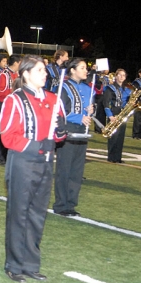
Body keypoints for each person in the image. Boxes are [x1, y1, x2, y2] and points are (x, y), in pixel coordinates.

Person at [0, 55, 67, 283]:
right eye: (40, 70)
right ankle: (14, 265)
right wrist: (39, 146)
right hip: (22, 163)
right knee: (19, 213)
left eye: (45, 70)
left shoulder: (52, 98)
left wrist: (60, 133)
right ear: (26, 74)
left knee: (38, 214)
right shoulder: (14, 100)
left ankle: (31, 264)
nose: (45, 74)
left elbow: (58, 134)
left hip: (46, 163)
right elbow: (8, 136)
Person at [53, 58, 94, 217]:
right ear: (72, 70)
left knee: (77, 169)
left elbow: (87, 110)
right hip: (68, 129)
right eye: (82, 68)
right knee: (65, 168)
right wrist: (79, 117)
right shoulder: (62, 87)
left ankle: (71, 203)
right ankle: (61, 204)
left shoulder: (87, 88)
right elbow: (61, 111)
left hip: (82, 130)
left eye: (86, 68)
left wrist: (90, 110)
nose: (86, 71)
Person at [0, 55, 22, 164]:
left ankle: (9, 155)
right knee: (4, 130)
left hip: (14, 105)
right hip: (4, 105)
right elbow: (0, 92)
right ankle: (2, 156)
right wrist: (14, 94)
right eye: (20, 63)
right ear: (16, 63)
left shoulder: (16, 74)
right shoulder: (4, 74)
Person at [103, 69, 131, 163]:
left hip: (122, 113)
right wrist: (110, 116)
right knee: (113, 136)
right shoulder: (110, 88)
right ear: (116, 76)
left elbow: (127, 102)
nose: (122, 77)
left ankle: (118, 158)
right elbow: (106, 103)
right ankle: (111, 157)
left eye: (124, 75)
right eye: (120, 75)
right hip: (113, 112)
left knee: (120, 137)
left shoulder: (126, 89)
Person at [131, 69, 141, 139]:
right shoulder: (136, 82)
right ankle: (136, 134)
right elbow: (134, 91)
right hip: (138, 102)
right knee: (137, 119)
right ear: (140, 74)